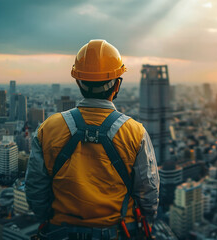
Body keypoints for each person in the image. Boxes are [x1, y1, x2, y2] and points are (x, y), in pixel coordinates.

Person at [25, 39, 159, 240]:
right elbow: (148, 191)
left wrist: (50, 221)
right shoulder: (134, 132)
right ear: (118, 84)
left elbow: (35, 188)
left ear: (78, 82)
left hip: (60, 233)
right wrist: (147, 219)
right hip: (120, 232)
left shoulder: (49, 128)